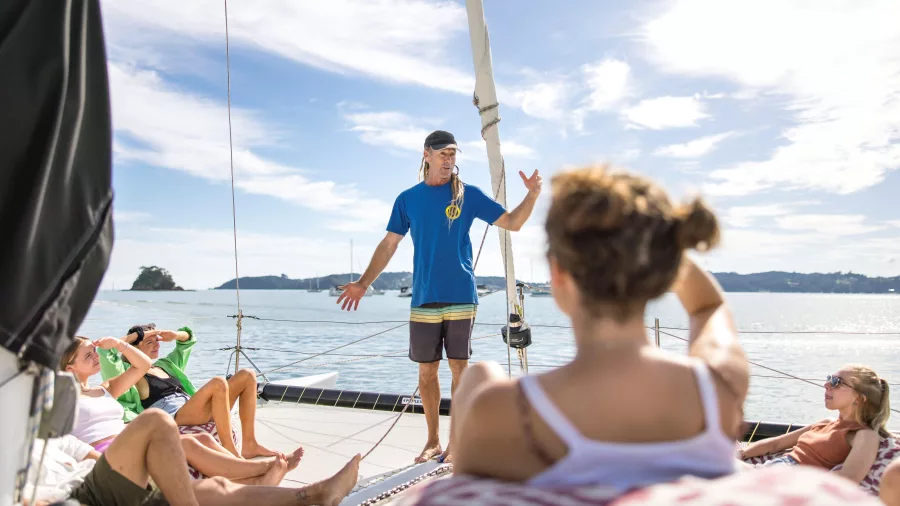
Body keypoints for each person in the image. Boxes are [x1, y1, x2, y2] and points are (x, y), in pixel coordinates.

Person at [444, 164, 749, 492]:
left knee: (479, 374)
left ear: (558, 273)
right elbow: (709, 306)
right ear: (660, 270)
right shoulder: (719, 385)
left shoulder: (498, 411)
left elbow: (465, 486)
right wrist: (650, 250)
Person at [336, 129, 542, 463]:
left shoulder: (468, 195)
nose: (448, 160)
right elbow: (389, 244)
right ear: (427, 155)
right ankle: (432, 441)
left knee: (459, 367)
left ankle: (457, 440)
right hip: (424, 297)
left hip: (461, 294)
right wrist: (363, 283)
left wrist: (532, 195)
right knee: (427, 371)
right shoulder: (408, 199)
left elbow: (513, 222)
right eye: (443, 153)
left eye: (453, 154)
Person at [61, 335, 302, 482]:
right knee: (186, 441)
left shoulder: (105, 389)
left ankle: (252, 477)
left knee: (200, 441)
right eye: (88, 355)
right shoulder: (63, 397)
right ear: (69, 368)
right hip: (109, 449)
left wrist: (119, 345)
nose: (96, 357)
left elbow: (142, 364)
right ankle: (264, 467)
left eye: (94, 352)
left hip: (130, 440)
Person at [28, 409, 360, 506]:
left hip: (92, 479)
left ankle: (313, 495)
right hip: (76, 496)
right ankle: (263, 468)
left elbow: (91, 455)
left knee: (215, 488)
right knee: (156, 421)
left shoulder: (46, 439)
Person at [98, 324, 277, 459]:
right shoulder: (127, 372)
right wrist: (135, 336)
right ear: (134, 348)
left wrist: (174, 335)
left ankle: (249, 445)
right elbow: (106, 349)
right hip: (173, 415)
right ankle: (230, 450)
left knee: (247, 375)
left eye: (156, 341)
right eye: (149, 342)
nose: (156, 345)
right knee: (218, 383)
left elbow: (187, 341)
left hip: (192, 407)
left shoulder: (166, 364)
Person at [740, 365, 890, 484]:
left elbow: (848, 478)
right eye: (829, 378)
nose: (826, 385)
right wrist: (741, 453)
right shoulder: (826, 423)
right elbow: (775, 444)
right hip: (773, 469)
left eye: (836, 382)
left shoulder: (864, 435)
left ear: (859, 398)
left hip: (791, 479)